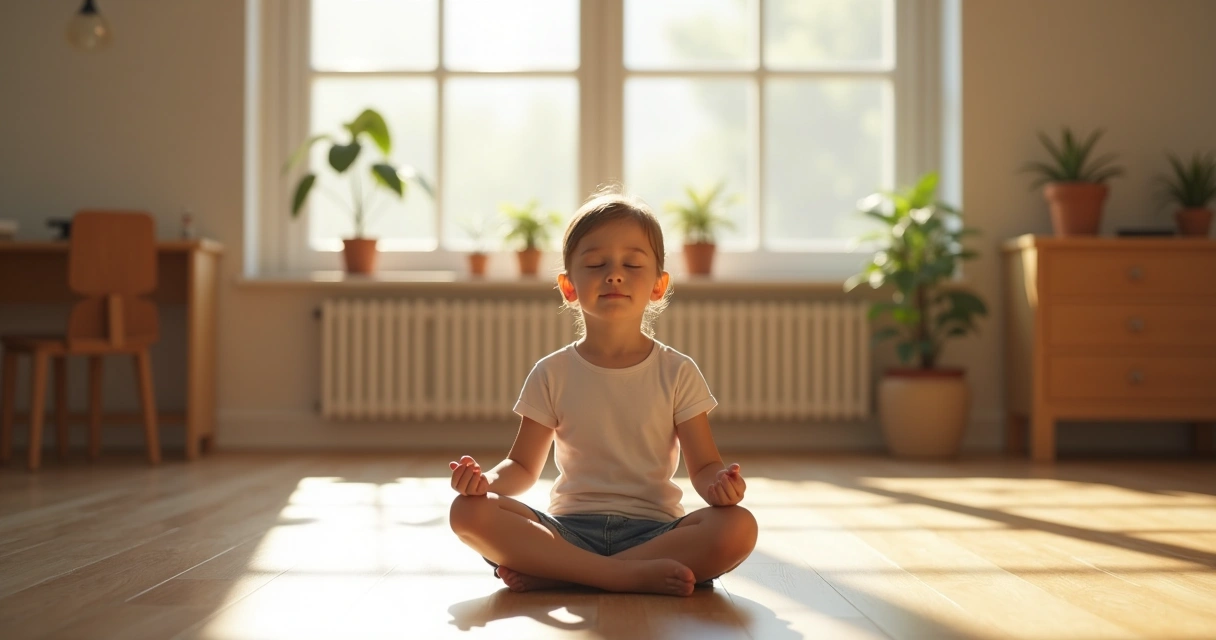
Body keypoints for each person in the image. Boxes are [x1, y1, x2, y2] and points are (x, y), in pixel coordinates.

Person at [448, 188, 757, 597]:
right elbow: (521, 467)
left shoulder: (678, 372)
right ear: (568, 286)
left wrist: (721, 484)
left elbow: (704, 467)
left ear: (658, 285)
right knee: (467, 513)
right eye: (595, 264)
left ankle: (567, 575)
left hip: (656, 535)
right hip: (567, 531)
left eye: (632, 263)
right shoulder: (551, 372)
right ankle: (621, 576)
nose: (614, 274)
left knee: (738, 526)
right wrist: (484, 482)